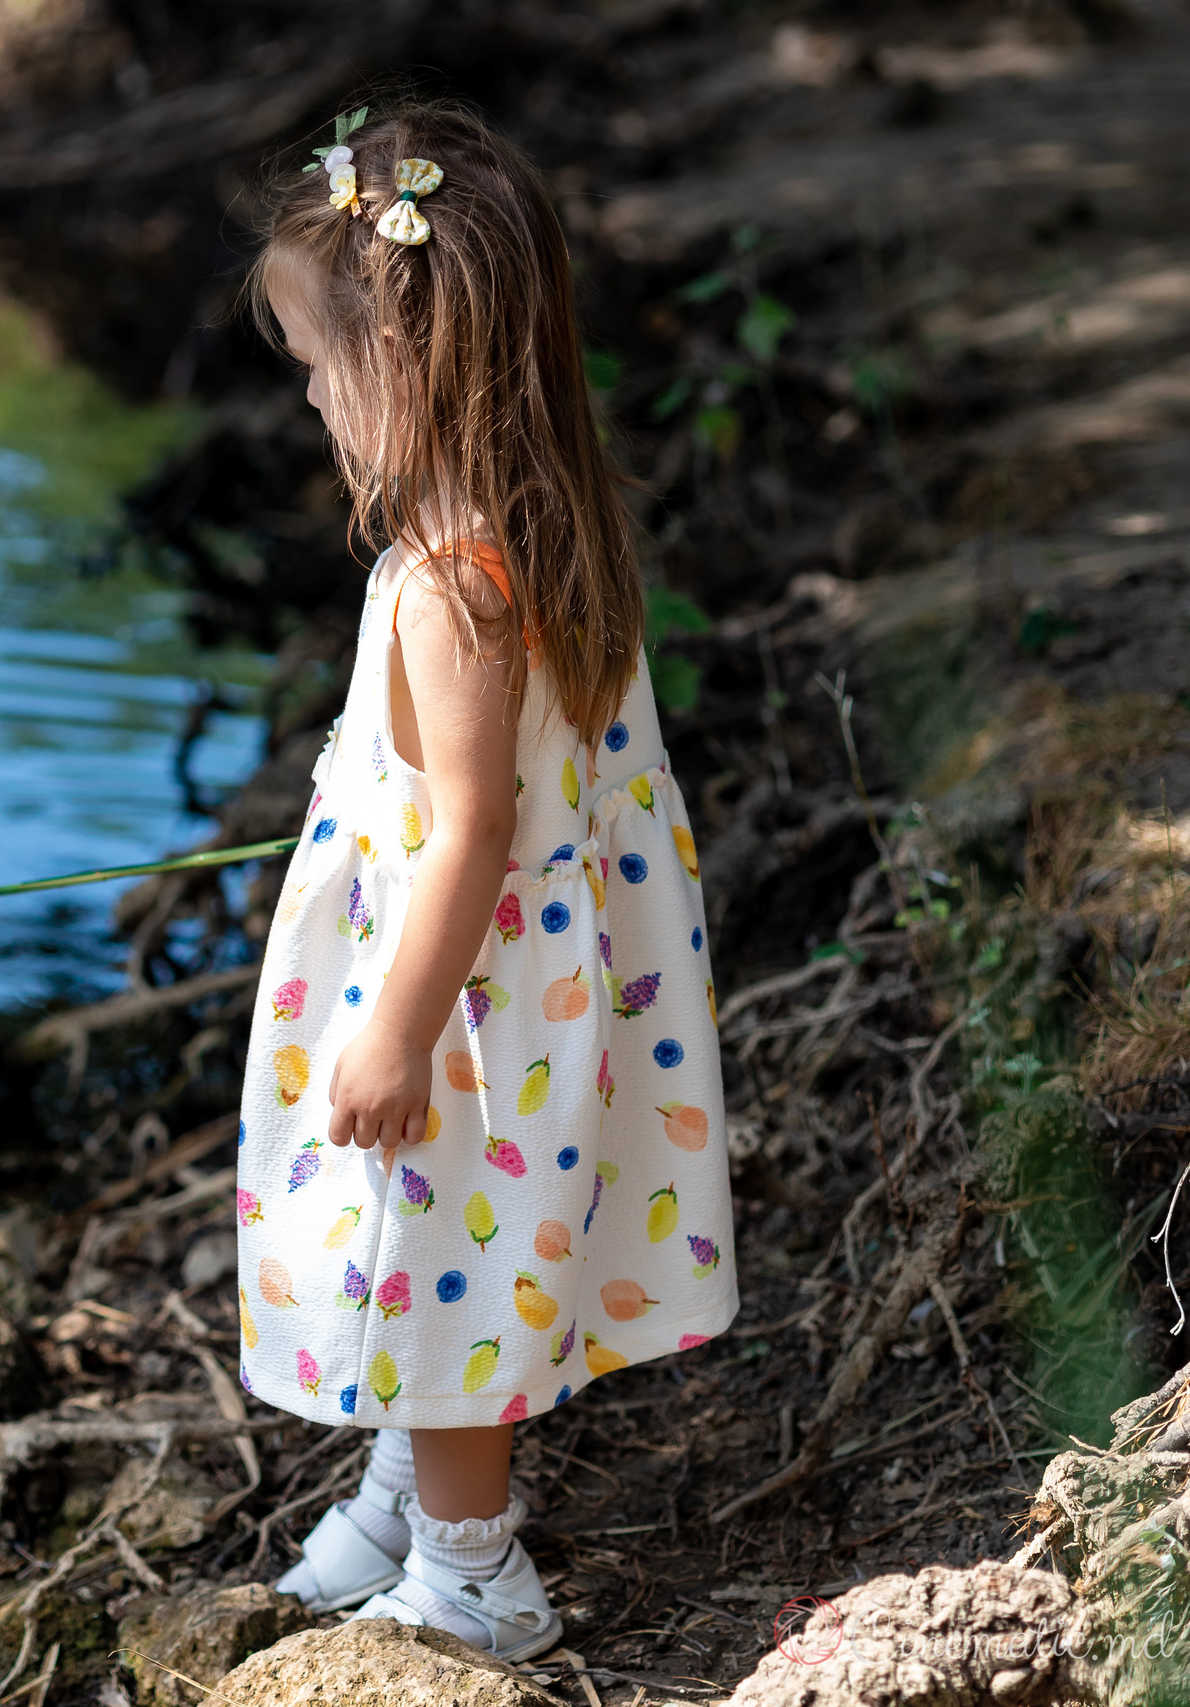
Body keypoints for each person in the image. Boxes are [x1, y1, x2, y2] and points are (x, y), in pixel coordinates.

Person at [234, 99, 736, 1661]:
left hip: (462, 1010)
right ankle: (405, 1483)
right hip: (531, 990)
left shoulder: (460, 588)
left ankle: (472, 1577)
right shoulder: (538, 530)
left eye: (322, 364)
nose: (312, 395)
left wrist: (390, 1029)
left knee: (436, 1262)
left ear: (412, 359)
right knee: (434, 1268)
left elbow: (472, 833)